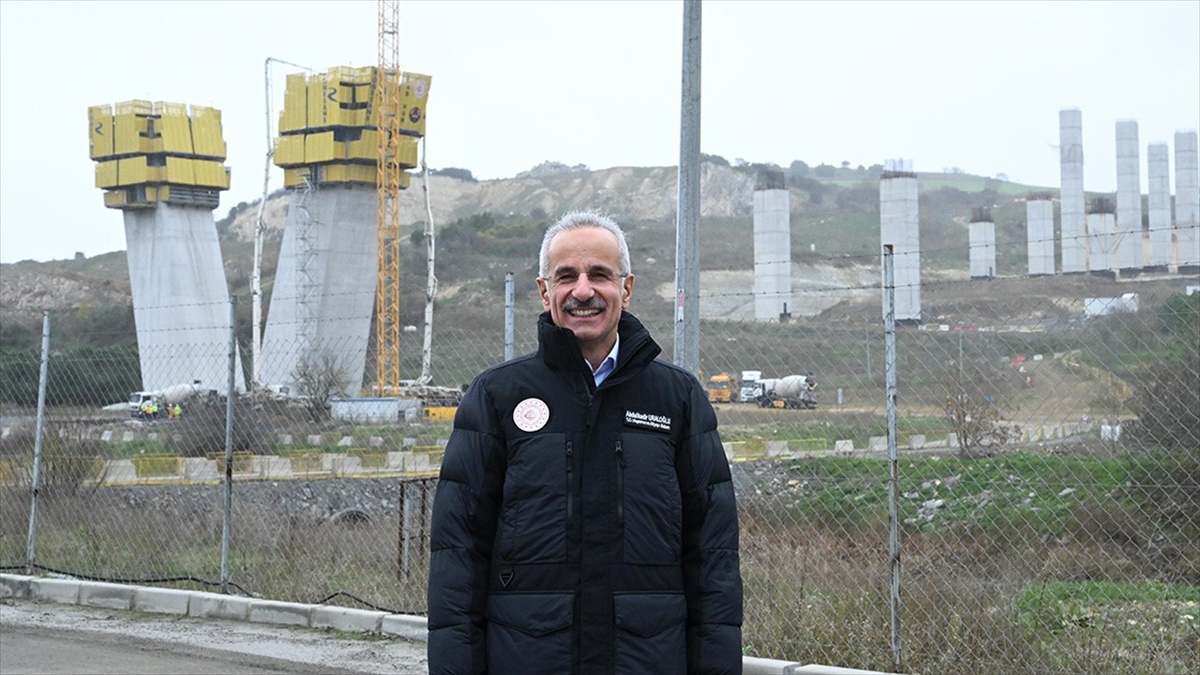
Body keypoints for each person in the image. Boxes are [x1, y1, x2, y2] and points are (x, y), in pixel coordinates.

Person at [428, 211, 743, 674]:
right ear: (544, 290)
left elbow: (712, 556)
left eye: (599, 274)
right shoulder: (497, 397)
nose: (582, 290)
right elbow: (458, 556)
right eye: (566, 276)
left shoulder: (678, 399)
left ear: (627, 287)